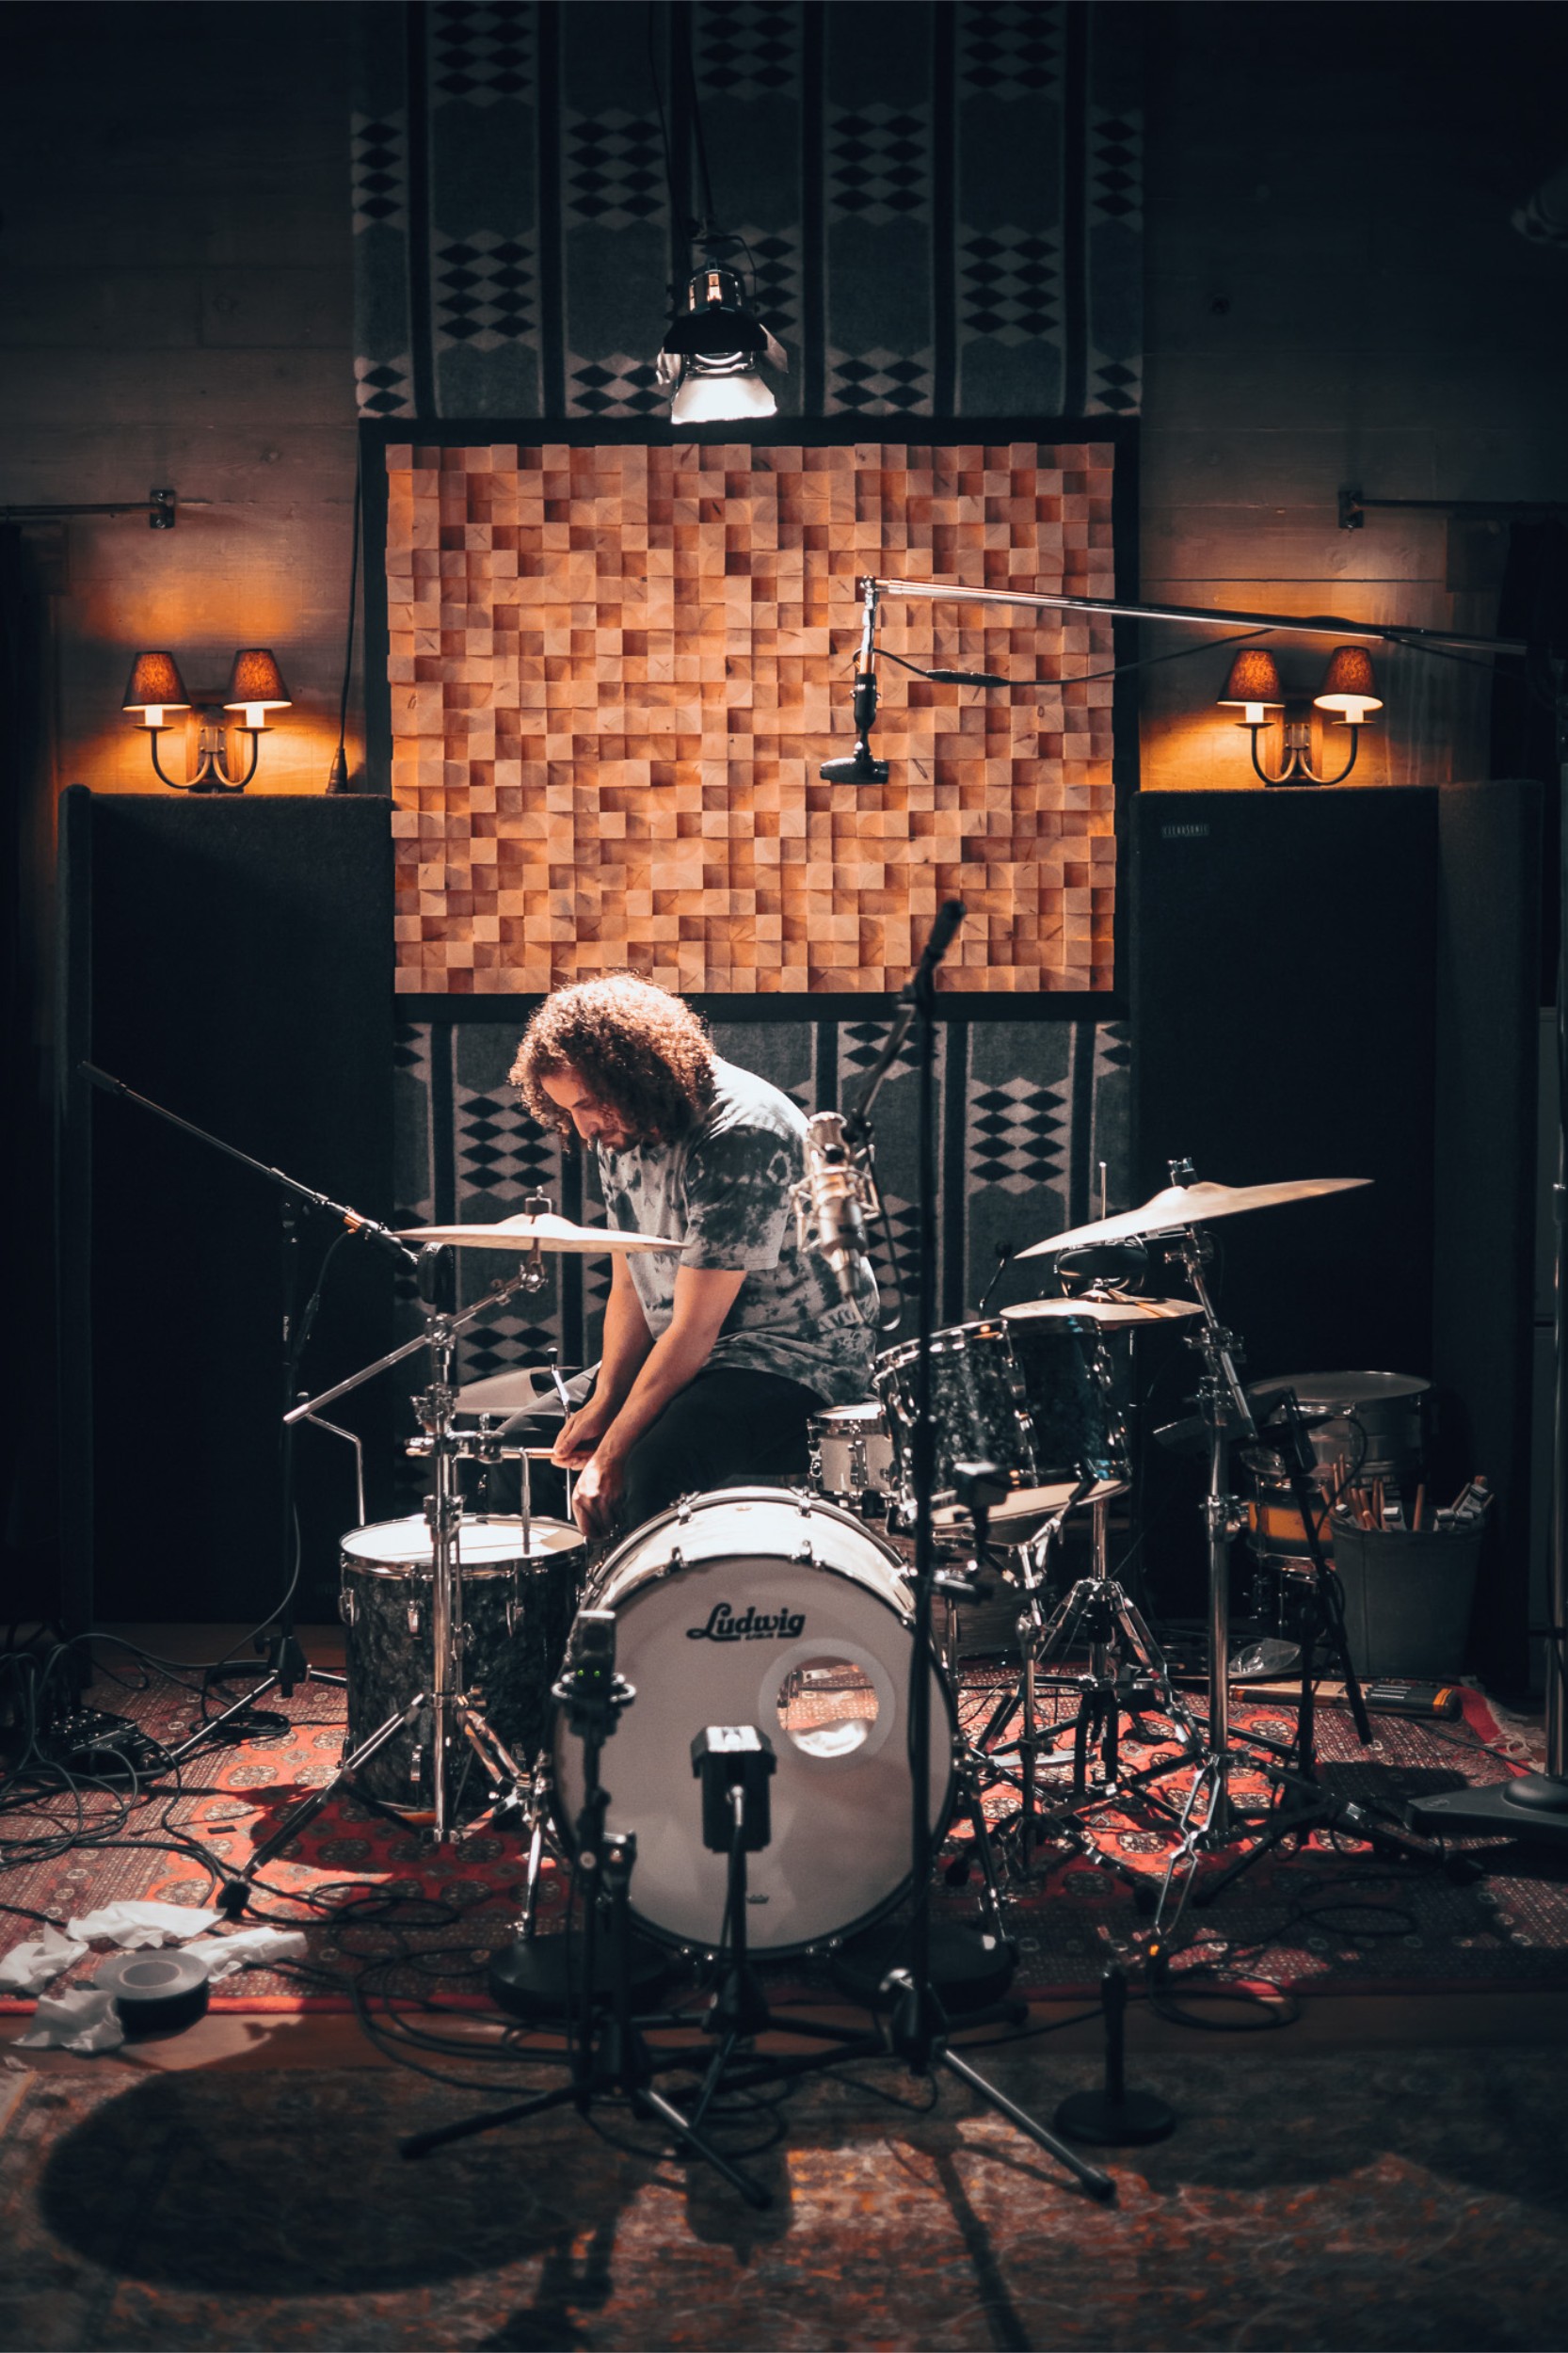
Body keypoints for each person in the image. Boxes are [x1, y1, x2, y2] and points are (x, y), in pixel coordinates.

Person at [510, 974, 876, 1543]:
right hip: (695, 1346)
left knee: (651, 1468)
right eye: (568, 1111)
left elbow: (696, 1326)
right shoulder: (621, 1129)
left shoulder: (741, 1133)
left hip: (792, 1356)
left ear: (633, 1076)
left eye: (587, 1105)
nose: (582, 1129)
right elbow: (632, 1285)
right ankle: (556, 1624)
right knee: (525, 1446)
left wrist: (613, 1449)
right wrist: (606, 1398)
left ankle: (644, 1626)